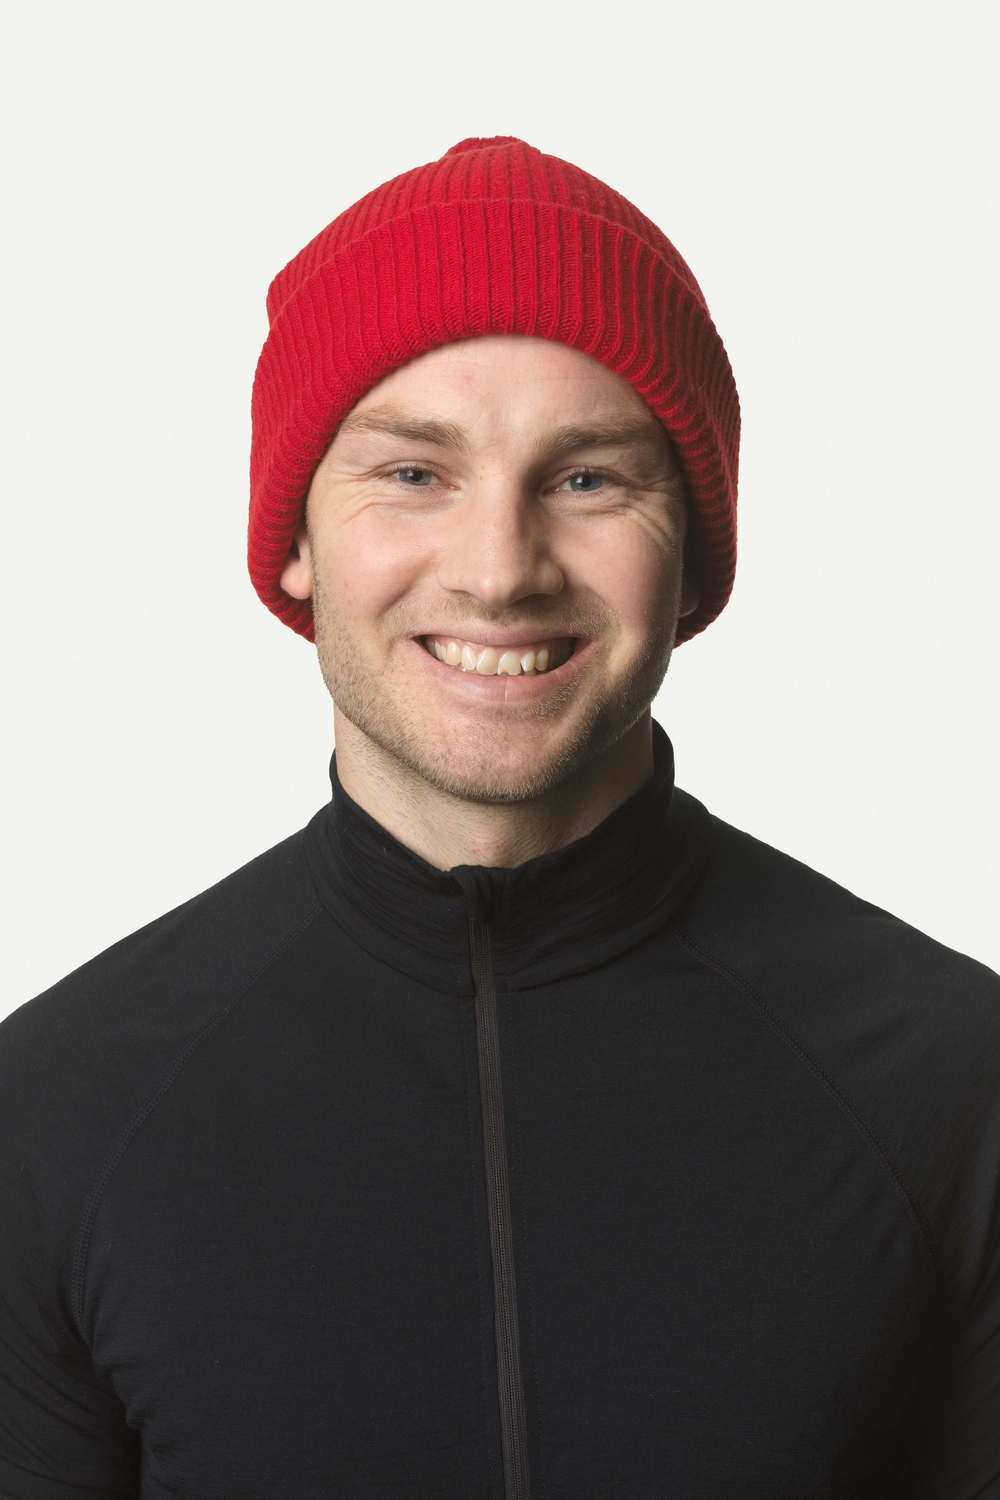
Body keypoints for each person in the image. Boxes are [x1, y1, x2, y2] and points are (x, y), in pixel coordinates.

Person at [1, 136, 997, 1500]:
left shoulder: (954, 1084)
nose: (499, 571)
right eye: (414, 473)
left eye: (587, 479)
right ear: (295, 543)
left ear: (693, 554)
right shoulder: (56, 1109)